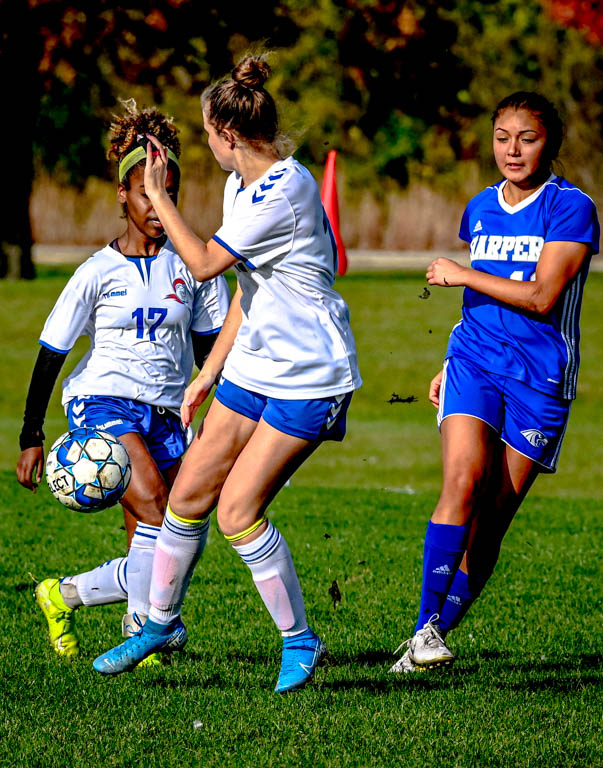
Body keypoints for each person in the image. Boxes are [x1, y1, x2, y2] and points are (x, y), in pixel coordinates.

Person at [92, 54, 362, 693]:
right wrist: (210, 370)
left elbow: (208, 263)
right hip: (255, 364)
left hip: (308, 376)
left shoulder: (287, 189)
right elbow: (247, 286)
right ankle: (158, 622)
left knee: (238, 509)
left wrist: (157, 193)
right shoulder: (240, 185)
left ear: (227, 135)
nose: (205, 142)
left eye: (208, 132)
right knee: (188, 495)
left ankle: (300, 640)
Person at [390, 91, 600, 674]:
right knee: (462, 480)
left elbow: (540, 296)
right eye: (502, 136)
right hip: (474, 361)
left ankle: (421, 644)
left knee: (491, 523)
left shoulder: (571, 208)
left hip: (539, 379)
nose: (512, 149)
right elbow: (485, 301)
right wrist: (448, 360)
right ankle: (427, 630)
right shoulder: (480, 206)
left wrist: (463, 274)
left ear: (549, 144)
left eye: (526, 138)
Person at [16, 101, 230, 664]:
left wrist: (218, 414)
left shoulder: (196, 264)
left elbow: (212, 351)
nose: (158, 206)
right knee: (158, 508)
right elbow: (51, 351)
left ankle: (62, 595)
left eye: (168, 193)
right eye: (146, 193)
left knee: (178, 530)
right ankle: (148, 629)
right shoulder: (96, 272)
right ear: (122, 194)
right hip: (101, 404)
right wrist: (30, 434)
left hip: (167, 413)